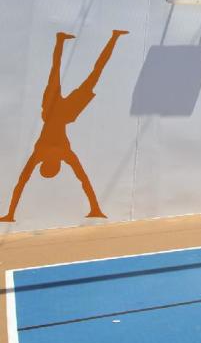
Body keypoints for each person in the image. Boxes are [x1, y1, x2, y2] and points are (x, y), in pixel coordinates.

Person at [4, 29, 128, 222]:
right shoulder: (56, 154)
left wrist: (11, 214)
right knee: (85, 75)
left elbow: (22, 183)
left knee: (79, 74)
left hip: (56, 112)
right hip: (63, 113)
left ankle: (100, 38)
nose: (54, 164)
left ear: (51, 165)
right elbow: (82, 179)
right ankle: (107, 38)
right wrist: (94, 207)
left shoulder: (55, 154)